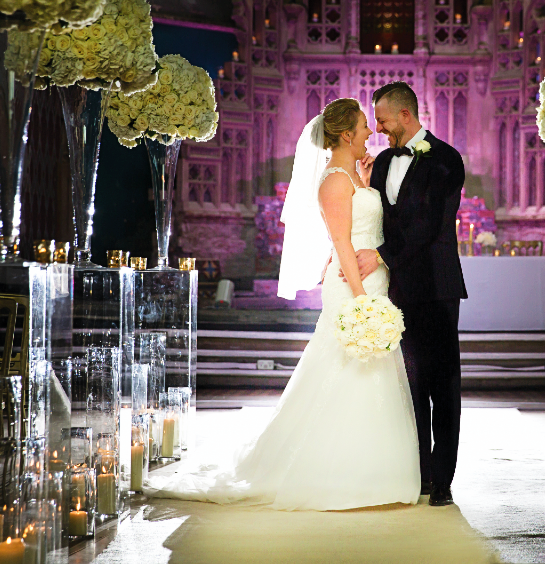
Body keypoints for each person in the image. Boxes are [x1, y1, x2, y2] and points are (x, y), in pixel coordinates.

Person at [145, 98, 420, 510]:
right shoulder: (333, 180)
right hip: (353, 286)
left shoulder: (358, 175)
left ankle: (377, 471)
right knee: (345, 366)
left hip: (374, 280)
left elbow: (367, 225)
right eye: (364, 126)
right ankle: (334, 471)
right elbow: (342, 242)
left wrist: (367, 183)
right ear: (347, 134)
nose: (370, 132)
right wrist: (362, 301)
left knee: (376, 369)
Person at [354, 81, 467, 507]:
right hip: (396, 288)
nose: (379, 128)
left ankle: (442, 478)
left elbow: (431, 225)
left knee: (443, 384)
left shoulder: (446, 159)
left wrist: (381, 255)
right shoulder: (382, 161)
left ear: (405, 114)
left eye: (381, 119)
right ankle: (418, 473)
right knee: (410, 382)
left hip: (436, 287)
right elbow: (382, 215)